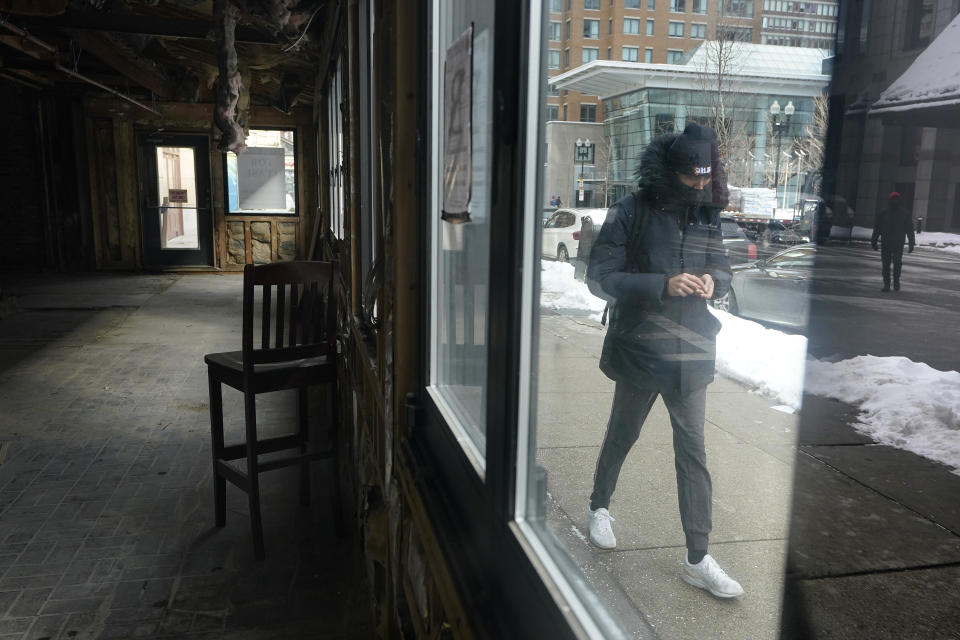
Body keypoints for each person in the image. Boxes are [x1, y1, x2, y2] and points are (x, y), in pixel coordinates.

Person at [585, 123, 744, 599]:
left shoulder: (707, 215)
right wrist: (663, 283)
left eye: (705, 177)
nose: (698, 186)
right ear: (671, 171)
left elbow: (722, 265)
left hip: (691, 350)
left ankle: (697, 558)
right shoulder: (632, 210)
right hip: (642, 344)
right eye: (690, 178)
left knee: (692, 451)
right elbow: (600, 276)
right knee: (624, 432)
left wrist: (715, 280)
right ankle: (599, 505)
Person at [871, 192, 915, 291]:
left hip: (897, 243)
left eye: (897, 199)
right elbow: (877, 228)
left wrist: (911, 243)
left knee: (897, 264)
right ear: (890, 201)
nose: (895, 201)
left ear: (899, 201)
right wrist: (874, 240)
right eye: (893, 199)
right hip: (887, 243)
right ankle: (887, 283)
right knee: (886, 265)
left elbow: (909, 230)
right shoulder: (883, 213)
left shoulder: (904, 214)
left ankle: (896, 281)